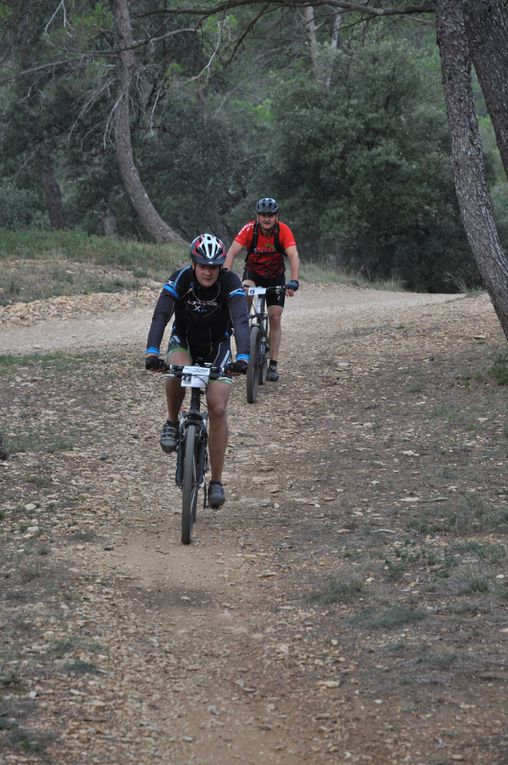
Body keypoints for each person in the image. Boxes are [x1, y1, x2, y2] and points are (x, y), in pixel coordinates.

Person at [145, 233, 249, 509]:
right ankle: (171, 421)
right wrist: (152, 352)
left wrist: (244, 357)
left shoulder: (230, 282)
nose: (207, 271)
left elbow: (240, 319)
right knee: (174, 369)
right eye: (202, 265)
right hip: (186, 341)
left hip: (218, 346)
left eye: (214, 267)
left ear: (221, 267)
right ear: (193, 264)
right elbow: (161, 315)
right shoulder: (181, 279)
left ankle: (216, 481)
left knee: (217, 408)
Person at [224, 197, 300, 382]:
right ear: (257, 216)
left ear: (276, 216)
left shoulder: (283, 231)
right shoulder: (249, 229)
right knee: (243, 299)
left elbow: (293, 255)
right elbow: (232, 252)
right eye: (263, 215)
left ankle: (273, 364)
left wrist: (294, 280)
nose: (267, 219)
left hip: (275, 276)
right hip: (253, 274)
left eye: (271, 215)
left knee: (275, 316)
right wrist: (225, 275)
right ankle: (244, 332)